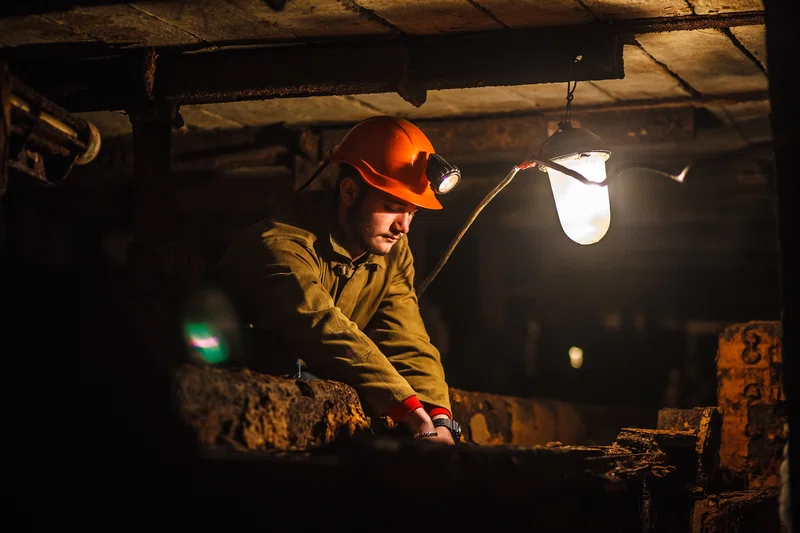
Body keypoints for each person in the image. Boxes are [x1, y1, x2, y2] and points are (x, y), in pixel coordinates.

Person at [216, 116, 462, 445]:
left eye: (412, 213)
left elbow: (407, 338)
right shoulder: (281, 245)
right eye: (392, 207)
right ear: (349, 191)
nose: (403, 227)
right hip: (232, 405)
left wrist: (438, 418)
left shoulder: (393, 253)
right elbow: (323, 327)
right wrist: (408, 409)